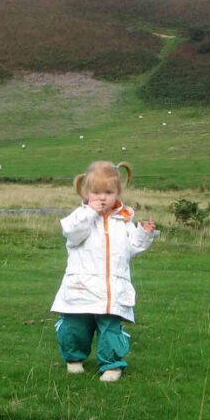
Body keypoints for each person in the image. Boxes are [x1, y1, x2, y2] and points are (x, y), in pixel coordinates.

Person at [50, 161, 159, 382]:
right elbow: (72, 233)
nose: (102, 198)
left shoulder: (123, 219)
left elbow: (131, 249)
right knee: (75, 327)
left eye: (108, 192)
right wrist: (90, 213)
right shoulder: (80, 216)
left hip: (113, 288)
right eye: (96, 192)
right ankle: (74, 360)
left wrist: (143, 234)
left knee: (111, 328)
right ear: (85, 192)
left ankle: (111, 365)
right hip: (81, 286)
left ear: (118, 192)